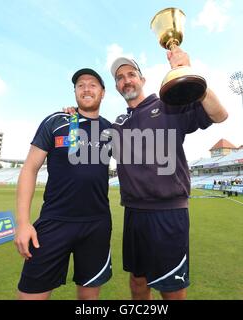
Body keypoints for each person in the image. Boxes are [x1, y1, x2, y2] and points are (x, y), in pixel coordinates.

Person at [109, 47, 228, 300]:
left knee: (171, 290)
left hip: (168, 213)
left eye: (131, 74)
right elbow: (88, 148)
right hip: (133, 214)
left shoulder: (168, 104)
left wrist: (189, 74)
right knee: (137, 283)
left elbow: (219, 114)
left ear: (142, 80)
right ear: (117, 86)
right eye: (120, 78)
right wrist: (74, 117)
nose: (126, 80)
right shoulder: (117, 124)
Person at [15, 68, 113, 300]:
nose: (86, 88)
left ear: (103, 93)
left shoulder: (111, 129)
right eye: (81, 85)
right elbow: (29, 169)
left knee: (89, 300)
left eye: (92, 84)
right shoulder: (56, 121)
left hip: (97, 225)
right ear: (75, 92)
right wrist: (23, 223)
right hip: (54, 223)